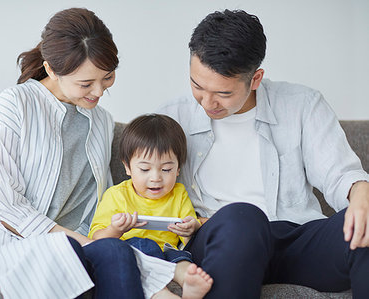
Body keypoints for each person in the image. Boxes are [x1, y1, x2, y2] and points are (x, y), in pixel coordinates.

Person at [0, 8, 175, 299]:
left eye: (107, 78)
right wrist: (79, 242)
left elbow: (92, 205)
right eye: (86, 83)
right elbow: (5, 206)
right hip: (2, 247)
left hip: (74, 246)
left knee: (115, 250)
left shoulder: (101, 122)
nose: (98, 91)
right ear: (52, 70)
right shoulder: (15, 105)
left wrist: (99, 237)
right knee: (75, 253)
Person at [158, 9, 369, 299]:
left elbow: (341, 175)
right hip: (223, 242)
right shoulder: (171, 118)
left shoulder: (302, 105)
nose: (207, 102)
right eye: (197, 85)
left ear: (255, 79)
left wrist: (361, 195)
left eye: (223, 93)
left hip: (295, 240)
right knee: (243, 217)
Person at [89, 114, 213, 299]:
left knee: (180, 257)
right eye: (145, 169)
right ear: (128, 168)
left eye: (166, 169)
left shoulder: (178, 193)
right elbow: (96, 238)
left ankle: (189, 282)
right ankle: (160, 293)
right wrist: (116, 229)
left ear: (178, 169)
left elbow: (189, 233)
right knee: (144, 244)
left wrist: (191, 227)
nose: (156, 177)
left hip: (167, 251)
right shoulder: (116, 195)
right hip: (133, 252)